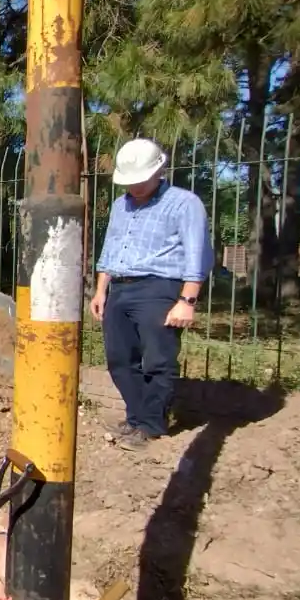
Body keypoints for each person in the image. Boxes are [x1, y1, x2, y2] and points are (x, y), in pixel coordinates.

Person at [89, 139, 213, 451]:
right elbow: (111, 248)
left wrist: (187, 301)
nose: (133, 187)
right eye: (128, 182)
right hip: (119, 287)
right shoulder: (121, 205)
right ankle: (135, 418)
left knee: (158, 360)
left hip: (159, 287)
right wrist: (101, 289)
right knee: (120, 359)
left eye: (139, 180)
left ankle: (151, 424)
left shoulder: (184, 204)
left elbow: (198, 254)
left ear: (159, 170)